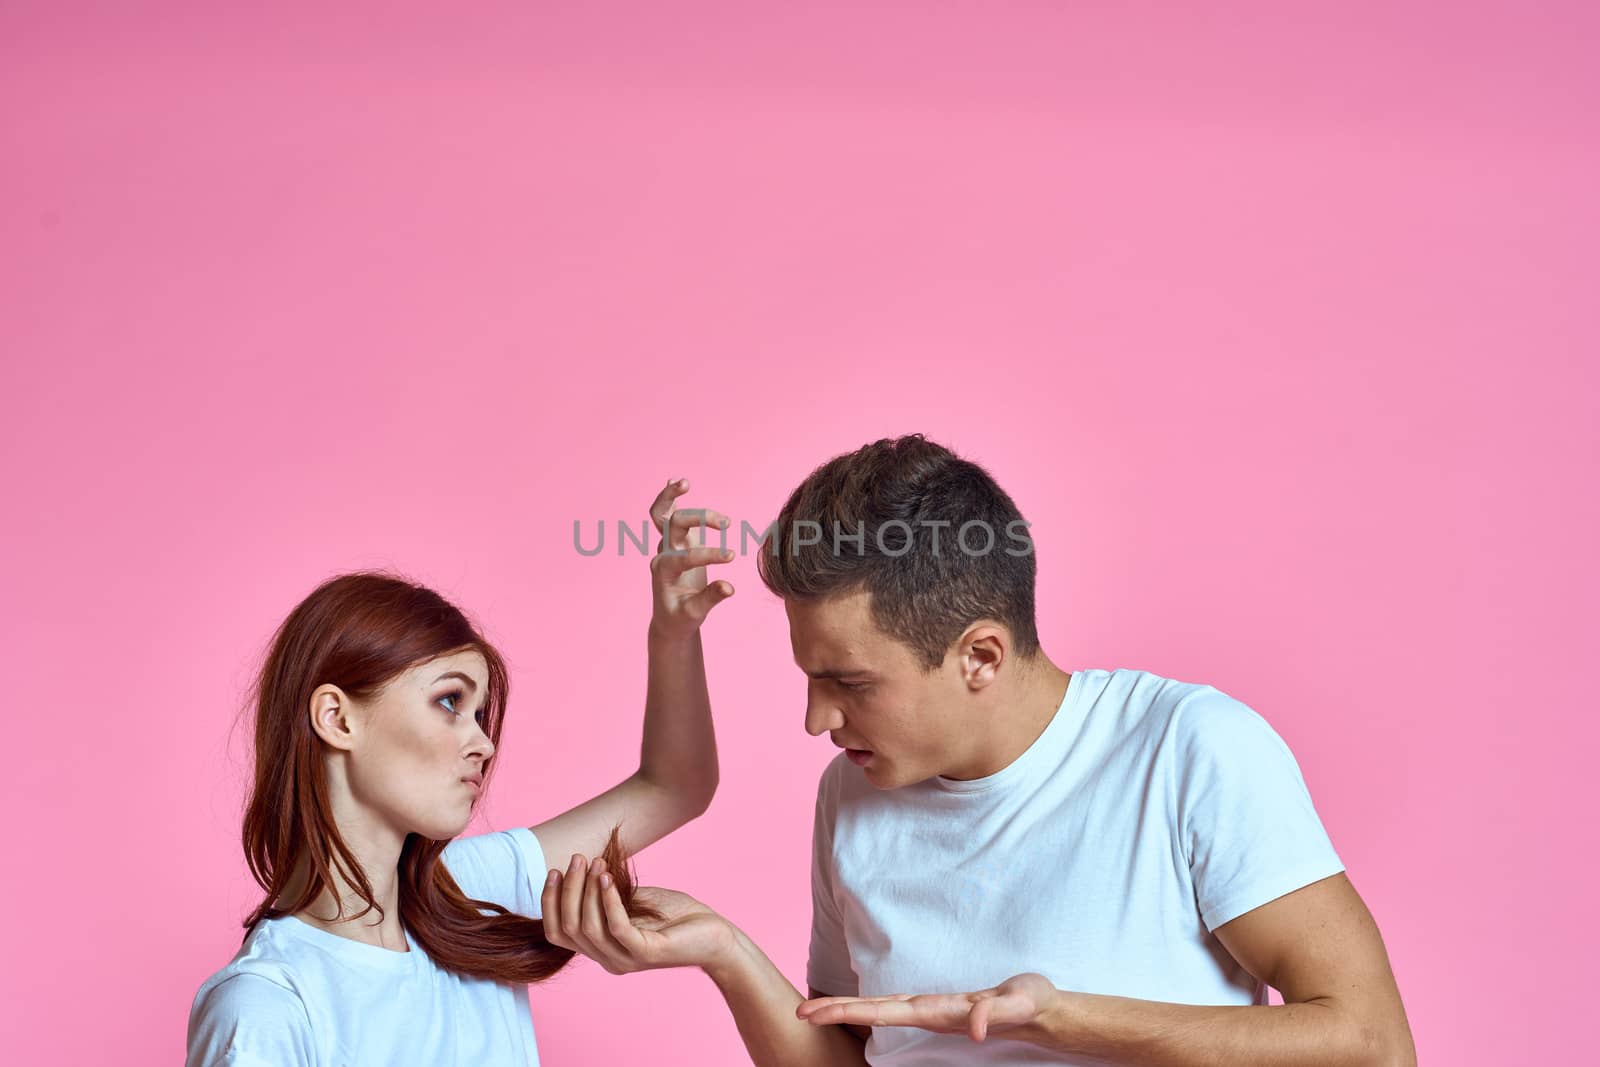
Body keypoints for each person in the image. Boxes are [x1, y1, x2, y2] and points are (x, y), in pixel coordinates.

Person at [545, 435, 1418, 1066]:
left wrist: (1064, 1019)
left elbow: (1372, 1042)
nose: (816, 719)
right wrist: (726, 953)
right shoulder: (850, 796)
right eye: (809, 679)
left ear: (980, 656)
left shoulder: (1189, 751)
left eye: (849, 682)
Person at [186, 479, 736, 1067]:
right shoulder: (269, 1007)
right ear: (336, 719)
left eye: (481, 714)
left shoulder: (465, 893)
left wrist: (674, 637)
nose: (484, 743)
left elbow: (675, 787)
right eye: (450, 702)